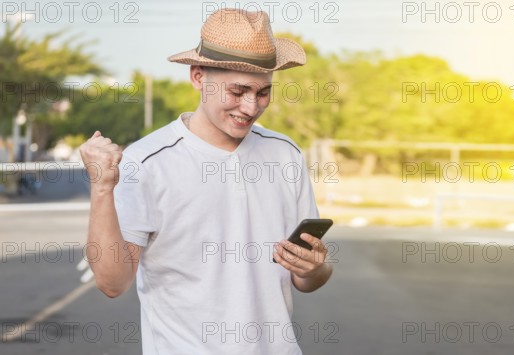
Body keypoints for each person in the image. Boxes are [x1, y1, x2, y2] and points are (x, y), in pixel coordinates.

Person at [79, 8, 333, 354]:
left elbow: (306, 279)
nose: (250, 107)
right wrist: (102, 187)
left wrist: (316, 266)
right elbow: (112, 282)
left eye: (263, 93)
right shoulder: (148, 162)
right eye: (238, 90)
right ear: (198, 77)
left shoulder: (285, 154)